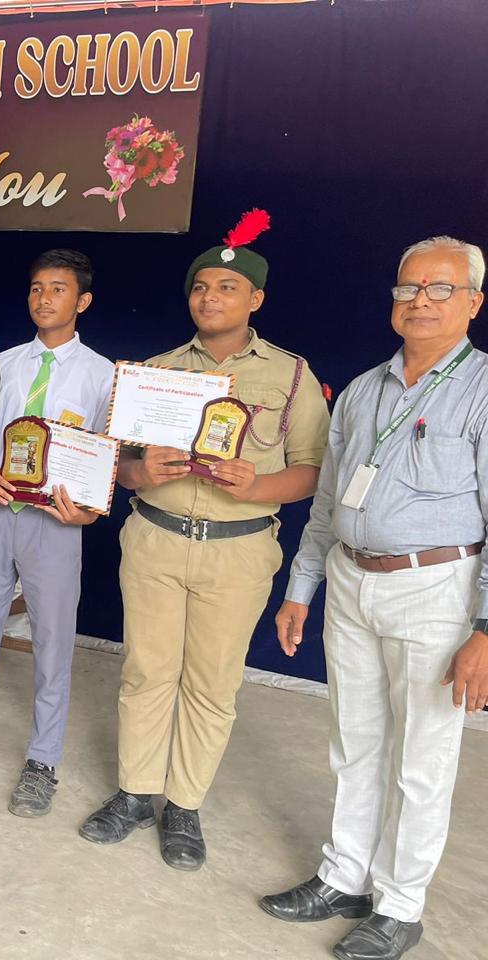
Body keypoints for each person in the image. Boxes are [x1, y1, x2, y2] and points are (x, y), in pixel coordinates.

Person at [78, 211, 331, 870]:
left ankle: (183, 805)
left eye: (226, 288)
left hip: (239, 547)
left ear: (255, 299)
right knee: (145, 672)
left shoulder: (292, 376)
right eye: (200, 288)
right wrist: (140, 471)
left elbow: (312, 472)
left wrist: (255, 485)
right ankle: (135, 793)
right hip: (157, 539)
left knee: (212, 684)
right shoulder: (155, 372)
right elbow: (118, 466)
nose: (210, 299)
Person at [259, 236, 488, 960]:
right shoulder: (363, 390)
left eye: (440, 289)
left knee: (421, 755)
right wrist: (302, 587)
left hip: (437, 589)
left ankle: (399, 904)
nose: (419, 300)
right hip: (352, 581)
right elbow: (327, 504)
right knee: (354, 742)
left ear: (473, 303)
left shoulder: (484, 389)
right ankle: (343, 876)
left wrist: (485, 627)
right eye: (408, 288)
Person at [0, 249, 114, 817]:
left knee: (53, 642)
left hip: (56, 524)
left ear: (81, 301)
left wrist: (88, 510)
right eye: (35, 288)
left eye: (57, 289)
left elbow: (106, 457)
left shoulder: (103, 375)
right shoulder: (0, 364)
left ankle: (42, 760)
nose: (43, 298)